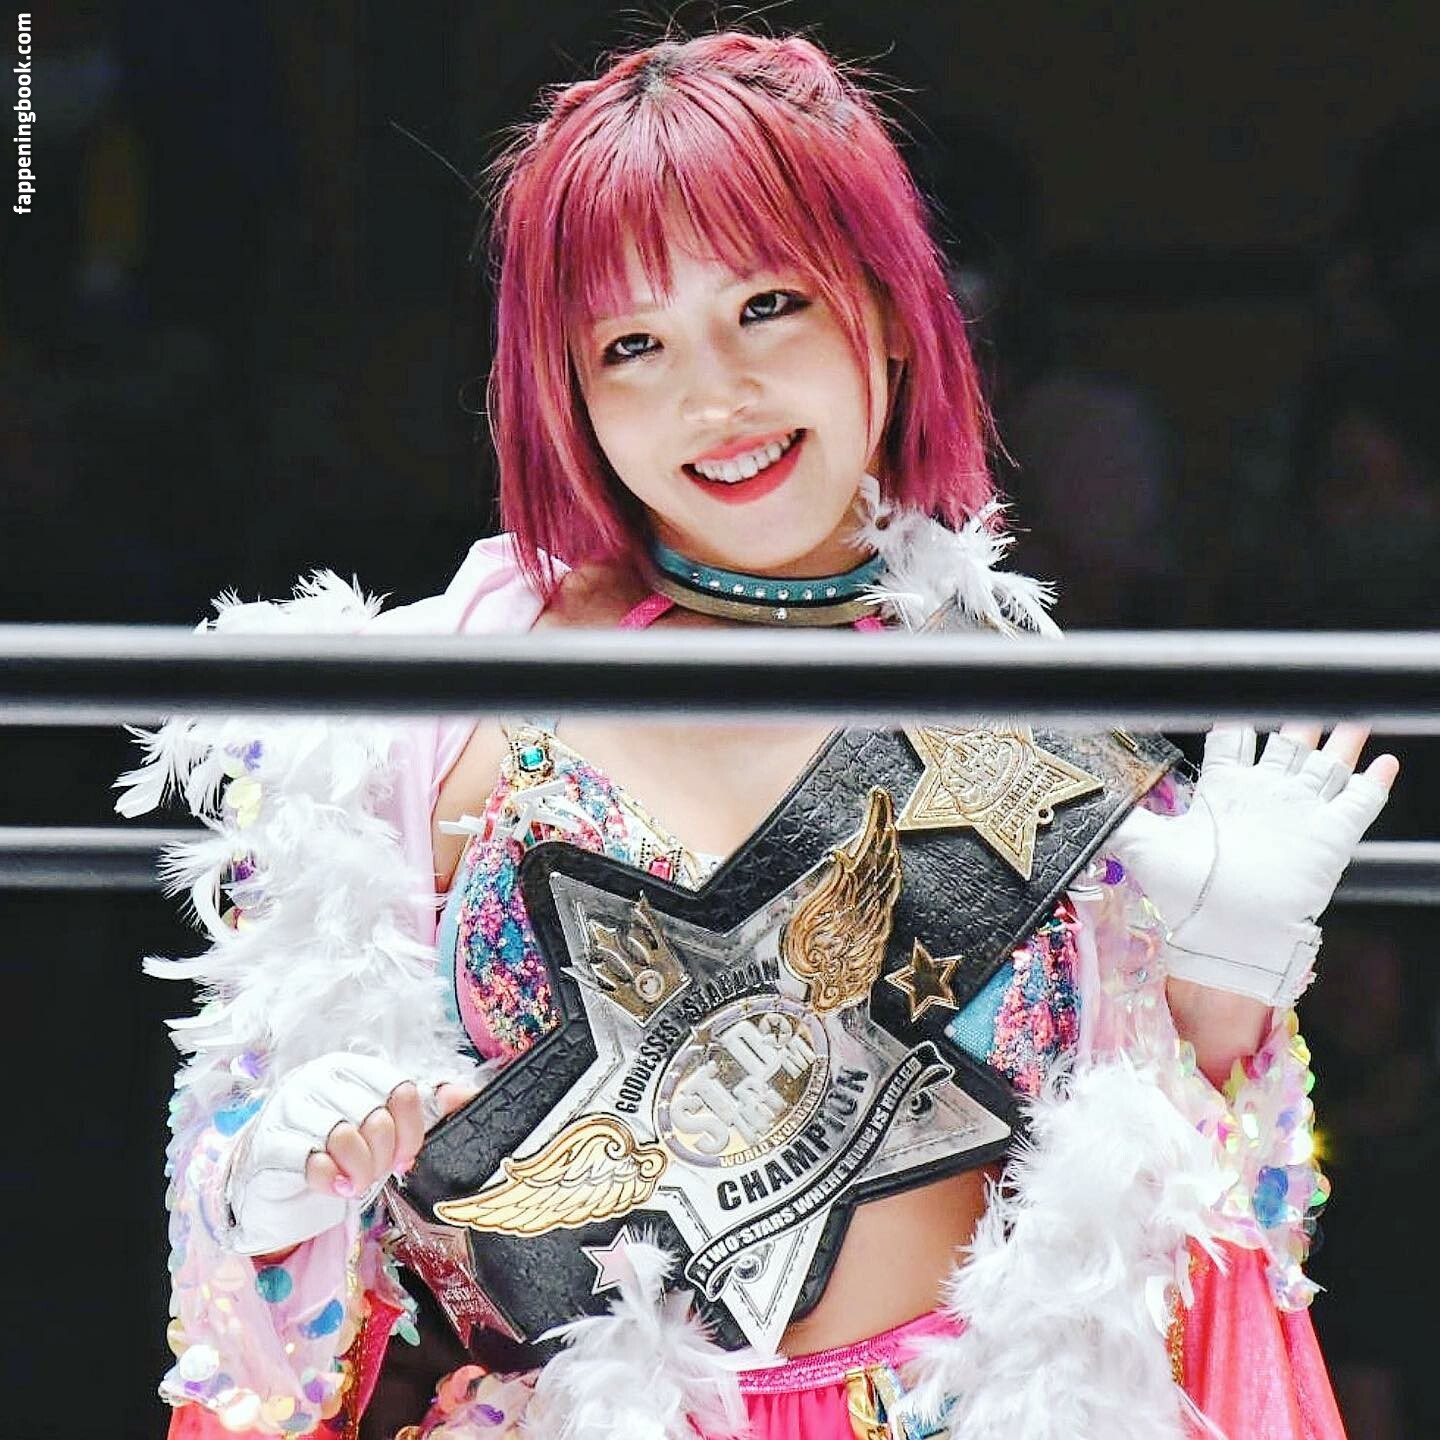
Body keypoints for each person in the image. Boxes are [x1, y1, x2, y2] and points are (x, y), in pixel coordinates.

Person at [119, 31, 1398, 1440]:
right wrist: (275, 1189)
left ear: (892, 311)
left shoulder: (1025, 713)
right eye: (633, 344)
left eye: (768, 306)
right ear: (567, 387)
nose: (713, 396)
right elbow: (250, 1274)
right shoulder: (432, 702)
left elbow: (1187, 1231)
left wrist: (1227, 985)